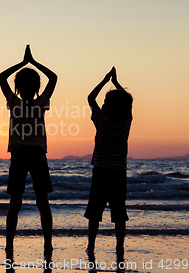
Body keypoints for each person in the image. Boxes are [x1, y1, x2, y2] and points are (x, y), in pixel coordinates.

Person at [0, 45, 58, 257]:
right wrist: (33, 63)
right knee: (42, 201)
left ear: (17, 87)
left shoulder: (13, 101)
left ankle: (9, 245)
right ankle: (48, 244)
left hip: (19, 155)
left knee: (15, 202)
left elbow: (1, 77)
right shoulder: (41, 102)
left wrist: (23, 63)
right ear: (36, 87)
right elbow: (54, 77)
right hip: (38, 155)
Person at [84, 67, 133, 260]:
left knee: (94, 211)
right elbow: (129, 104)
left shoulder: (102, 119)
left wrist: (105, 80)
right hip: (119, 173)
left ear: (110, 107)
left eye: (105, 102)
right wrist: (116, 84)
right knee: (119, 212)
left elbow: (90, 98)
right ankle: (119, 247)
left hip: (101, 171)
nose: (102, 104)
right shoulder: (126, 120)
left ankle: (91, 245)